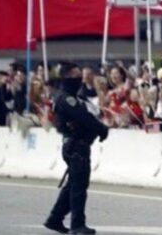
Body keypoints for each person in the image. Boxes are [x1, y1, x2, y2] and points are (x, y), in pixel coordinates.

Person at [45, 62, 109, 235]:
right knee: (79, 187)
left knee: (73, 185)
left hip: (77, 145)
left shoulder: (73, 97)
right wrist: (101, 128)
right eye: (74, 75)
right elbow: (83, 117)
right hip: (76, 146)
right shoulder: (66, 98)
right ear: (65, 77)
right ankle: (77, 225)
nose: (78, 78)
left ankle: (55, 219)